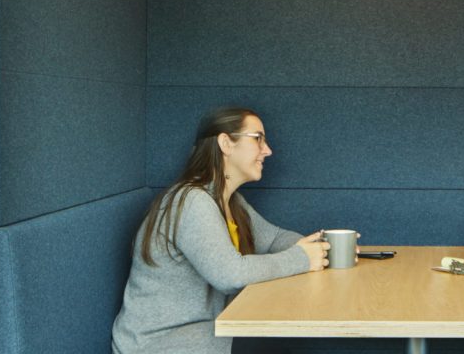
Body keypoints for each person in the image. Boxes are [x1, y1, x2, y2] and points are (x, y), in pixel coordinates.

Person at [112, 107, 331, 353]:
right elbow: (230, 276)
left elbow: (275, 239)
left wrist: (319, 249)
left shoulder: (229, 201)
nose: (267, 150)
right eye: (258, 138)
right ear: (226, 143)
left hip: (203, 337)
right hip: (159, 345)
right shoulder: (192, 201)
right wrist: (301, 259)